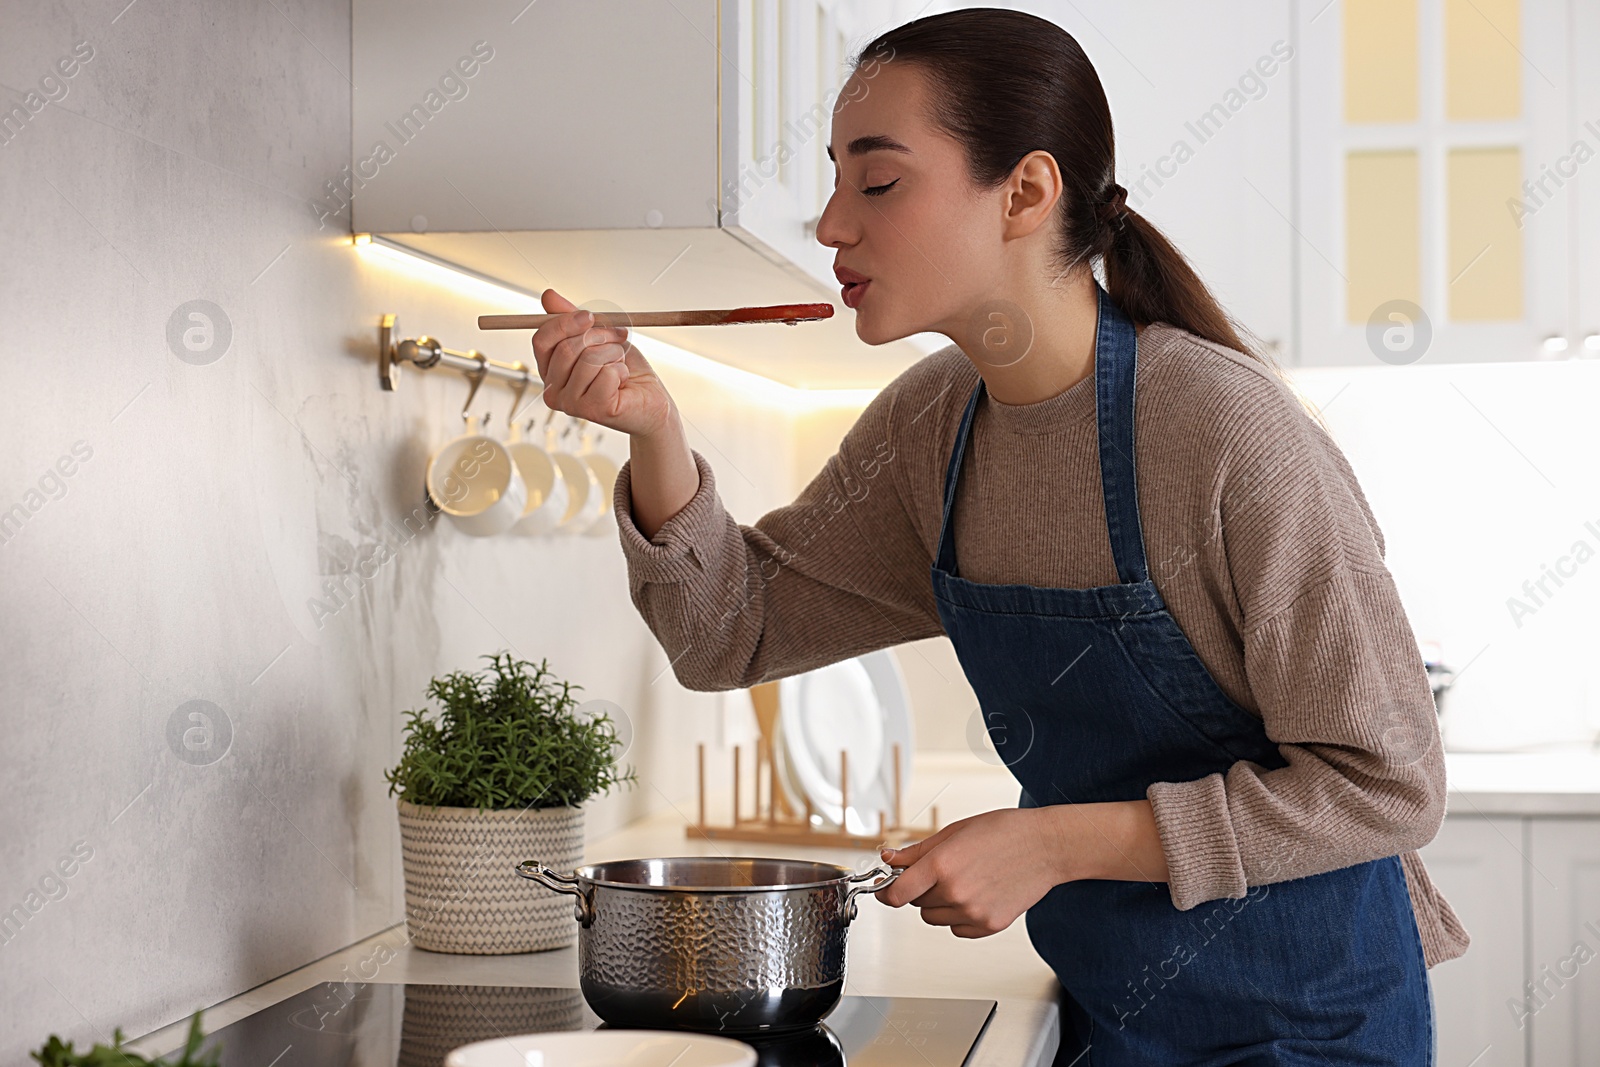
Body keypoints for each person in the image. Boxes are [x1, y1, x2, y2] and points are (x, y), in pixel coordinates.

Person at [530, 8, 1467, 1064]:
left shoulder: (1219, 429)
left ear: (1024, 192)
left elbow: (1385, 783)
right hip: (1108, 1008)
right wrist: (654, 433)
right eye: (833, 179)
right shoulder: (933, 426)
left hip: (1309, 1023)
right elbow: (728, 635)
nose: (833, 224)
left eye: (876, 182)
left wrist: (1054, 841)